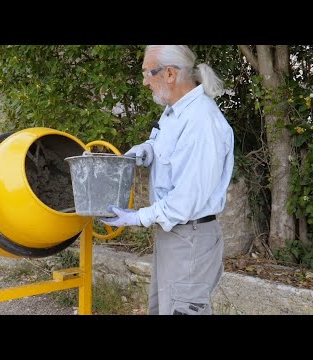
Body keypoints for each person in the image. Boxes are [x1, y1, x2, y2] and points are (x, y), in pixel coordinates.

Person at [100, 45, 234, 315]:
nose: (145, 82)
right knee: (163, 308)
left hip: (190, 238)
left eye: (147, 73)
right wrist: (148, 150)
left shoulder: (201, 122)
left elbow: (185, 202)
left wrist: (137, 217)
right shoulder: (175, 112)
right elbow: (164, 146)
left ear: (170, 74)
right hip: (174, 236)